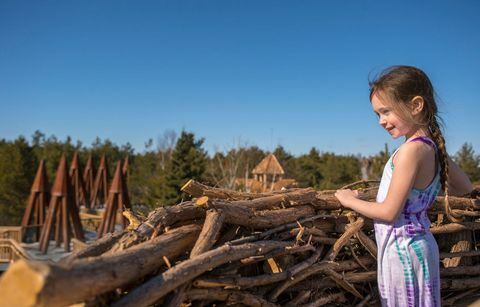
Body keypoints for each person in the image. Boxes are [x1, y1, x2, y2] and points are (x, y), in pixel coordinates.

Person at [334, 65, 473, 307]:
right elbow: (464, 187)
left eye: (385, 111)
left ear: (416, 105)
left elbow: (389, 212)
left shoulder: (411, 150)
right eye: (377, 114)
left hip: (403, 253)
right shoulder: (429, 147)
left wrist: (349, 200)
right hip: (419, 249)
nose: (381, 121)